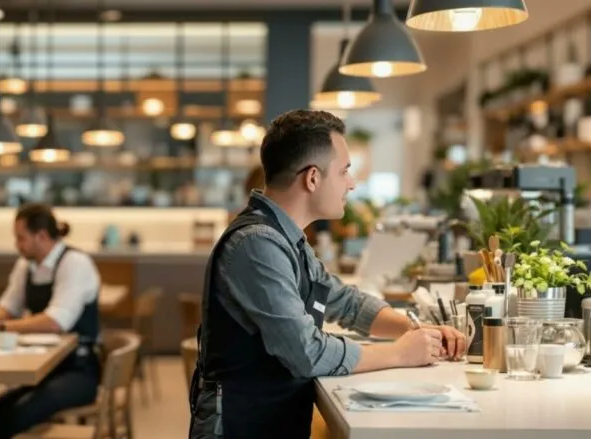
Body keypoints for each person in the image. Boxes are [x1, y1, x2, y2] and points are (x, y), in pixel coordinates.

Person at [189, 110, 466, 438]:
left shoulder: (284, 236)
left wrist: (419, 330)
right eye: (345, 171)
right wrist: (401, 352)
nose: (352, 183)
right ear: (312, 178)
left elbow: (344, 301)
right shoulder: (257, 244)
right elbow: (307, 352)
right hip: (240, 425)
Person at [0, 203, 101, 439]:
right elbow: (8, 306)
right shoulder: (26, 265)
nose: (17, 244)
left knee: (17, 415)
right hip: (44, 367)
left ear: (42, 236)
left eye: (20, 237)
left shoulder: (75, 263)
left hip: (78, 370)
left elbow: (56, 321)